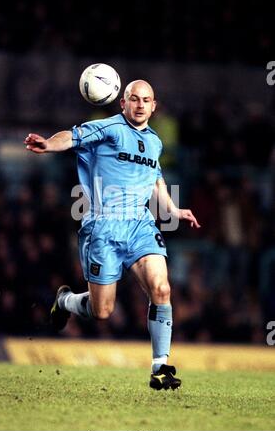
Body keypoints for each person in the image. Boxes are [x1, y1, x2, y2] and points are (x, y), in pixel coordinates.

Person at [24, 80, 200, 390]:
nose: (141, 105)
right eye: (134, 99)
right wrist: (49, 144)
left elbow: (155, 177)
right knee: (102, 310)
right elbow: (72, 137)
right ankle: (65, 301)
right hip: (102, 227)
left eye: (146, 100)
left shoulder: (155, 142)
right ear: (123, 103)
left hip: (140, 225)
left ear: (154, 106)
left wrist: (172, 210)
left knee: (161, 288)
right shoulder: (107, 128)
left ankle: (160, 368)